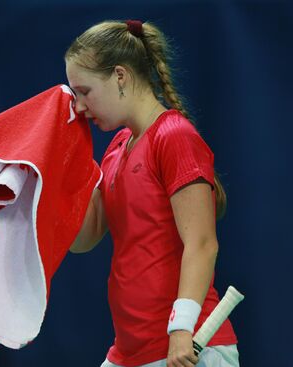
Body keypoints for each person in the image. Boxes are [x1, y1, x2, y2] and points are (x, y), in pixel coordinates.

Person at [65, 20, 239, 367]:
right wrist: (61, 165)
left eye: (85, 91)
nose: (80, 106)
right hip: (130, 353)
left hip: (184, 347)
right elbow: (81, 240)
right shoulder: (116, 147)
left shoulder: (174, 136)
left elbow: (203, 243)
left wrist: (181, 329)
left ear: (119, 76)